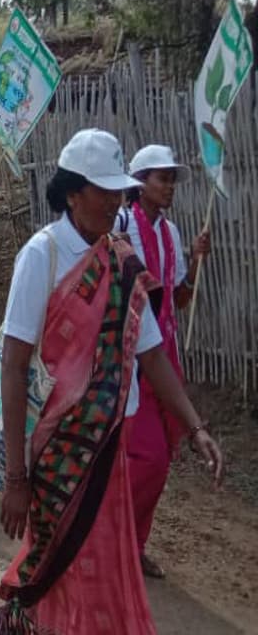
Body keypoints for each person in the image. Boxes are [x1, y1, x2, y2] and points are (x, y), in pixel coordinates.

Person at [0, 129, 224, 634]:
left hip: (107, 448)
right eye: (105, 190)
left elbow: (152, 353)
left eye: (120, 190)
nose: (115, 200)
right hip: (55, 456)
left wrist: (194, 425)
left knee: (100, 576)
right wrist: (15, 476)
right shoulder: (42, 255)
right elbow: (14, 363)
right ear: (73, 192)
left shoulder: (120, 261)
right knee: (60, 571)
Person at [113, 144, 212, 580]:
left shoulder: (169, 235)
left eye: (172, 178)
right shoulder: (122, 227)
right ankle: (115, 543)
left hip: (164, 356)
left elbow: (179, 301)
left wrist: (192, 263)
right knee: (146, 457)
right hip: (130, 360)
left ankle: (133, 544)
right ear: (139, 183)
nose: (169, 186)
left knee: (161, 458)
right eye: (162, 178)